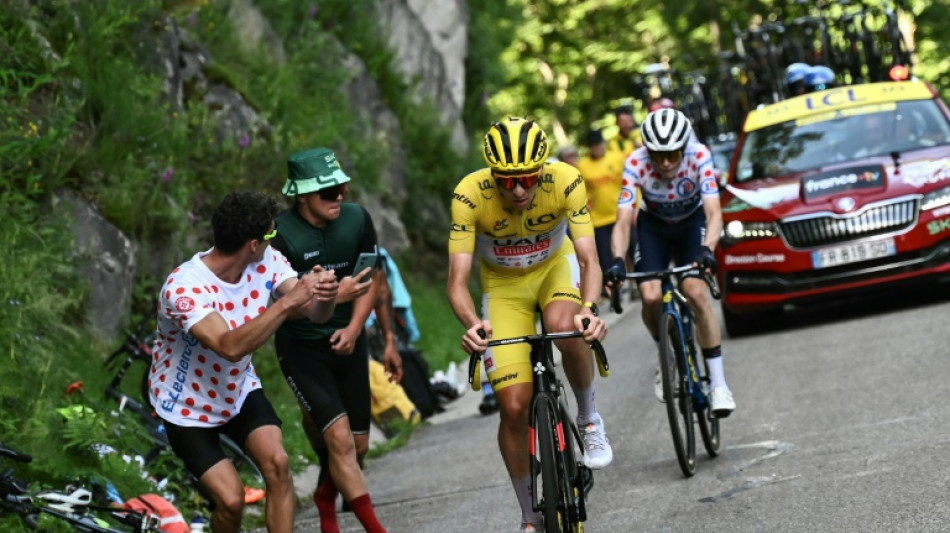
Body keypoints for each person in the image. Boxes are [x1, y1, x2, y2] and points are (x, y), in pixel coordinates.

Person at [448, 117, 611, 533]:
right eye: (507, 181)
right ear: (493, 175)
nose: (518, 190)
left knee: (567, 326)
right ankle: (529, 514)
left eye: (527, 179)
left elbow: (590, 259)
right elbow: (456, 282)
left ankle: (588, 418)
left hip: (554, 270)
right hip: (502, 288)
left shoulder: (566, 180)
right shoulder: (469, 196)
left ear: (542, 169)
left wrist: (590, 308)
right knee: (513, 406)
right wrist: (472, 324)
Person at [149, 190, 339, 533]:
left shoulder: (267, 261)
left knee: (279, 465)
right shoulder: (184, 288)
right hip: (185, 404)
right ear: (252, 243)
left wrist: (325, 294)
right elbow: (229, 346)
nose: (274, 239)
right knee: (232, 501)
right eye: (270, 234)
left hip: (236, 389)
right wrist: (285, 304)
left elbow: (313, 312)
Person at [270, 148, 397, 533]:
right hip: (302, 347)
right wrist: (322, 300)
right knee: (339, 440)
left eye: (341, 187)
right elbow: (271, 309)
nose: (340, 196)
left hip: (350, 340)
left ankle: (326, 495)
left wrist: (366, 331)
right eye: (328, 192)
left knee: (356, 448)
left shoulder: (357, 219)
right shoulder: (279, 235)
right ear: (302, 195)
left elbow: (372, 279)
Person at [606, 109, 737, 417]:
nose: (665, 162)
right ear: (647, 150)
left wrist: (707, 249)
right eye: (658, 155)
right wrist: (616, 260)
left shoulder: (699, 155)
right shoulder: (636, 162)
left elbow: (714, 212)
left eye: (672, 154)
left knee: (694, 292)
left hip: (693, 224)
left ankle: (718, 384)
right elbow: (624, 221)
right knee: (650, 296)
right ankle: (665, 351)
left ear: (684, 147)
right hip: (654, 227)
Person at [576, 129, 630, 286]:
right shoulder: (583, 166)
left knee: (629, 250)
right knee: (606, 256)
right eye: (593, 145)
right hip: (599, 219)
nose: (596, 148)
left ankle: (634, 282)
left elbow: (629, 185)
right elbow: (581, 192)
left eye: (598, 144)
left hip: (621, 213)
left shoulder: (617, 158)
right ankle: (614, 286)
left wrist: (635, 207)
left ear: (604, 143)